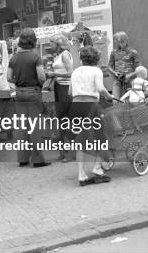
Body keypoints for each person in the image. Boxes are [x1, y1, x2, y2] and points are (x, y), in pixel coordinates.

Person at [69, 46, 113, 186]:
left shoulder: (75, 72)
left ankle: (81, 175)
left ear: (82, 58)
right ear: (96, 58)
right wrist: (109, 96)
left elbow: (70, 91)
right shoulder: (96, 70)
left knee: (80, 140)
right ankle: (97, 168)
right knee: (101, 136)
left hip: (76, 106)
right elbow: (100, 88)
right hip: (91, 106)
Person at [7, 29, 50, 168]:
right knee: (35, 127)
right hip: (33, 93)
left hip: (19, 94)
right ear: (33, 40)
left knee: (22, 127)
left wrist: (18, 81)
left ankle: (23, 159)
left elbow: (8, 77)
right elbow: (42, 77)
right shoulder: (35, 57)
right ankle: (38, 160)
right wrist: (40, 84)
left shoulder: (13, 58)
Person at [45, 33, 74, 162]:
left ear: (58, 44)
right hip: (59, 87)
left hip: (65, 89)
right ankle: (64, 151)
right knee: (61, 119)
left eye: (51, 43)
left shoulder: (66, 55)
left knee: (65, 120)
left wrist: (54, 73)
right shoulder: (59, 55)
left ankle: (69, 152)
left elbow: (71, 73)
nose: (50, 45)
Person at [108, 31, 141, 99]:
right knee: (115, 100)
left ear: (126, 40)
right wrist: (114, 73)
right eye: (118, 42)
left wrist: (129, 75)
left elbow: (140, 69)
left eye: (122, 41)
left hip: (129, 81)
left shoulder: (133, 52)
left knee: (128, 102)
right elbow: (109, 66)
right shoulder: (113, 52)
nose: (120, 44)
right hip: (117, 80)